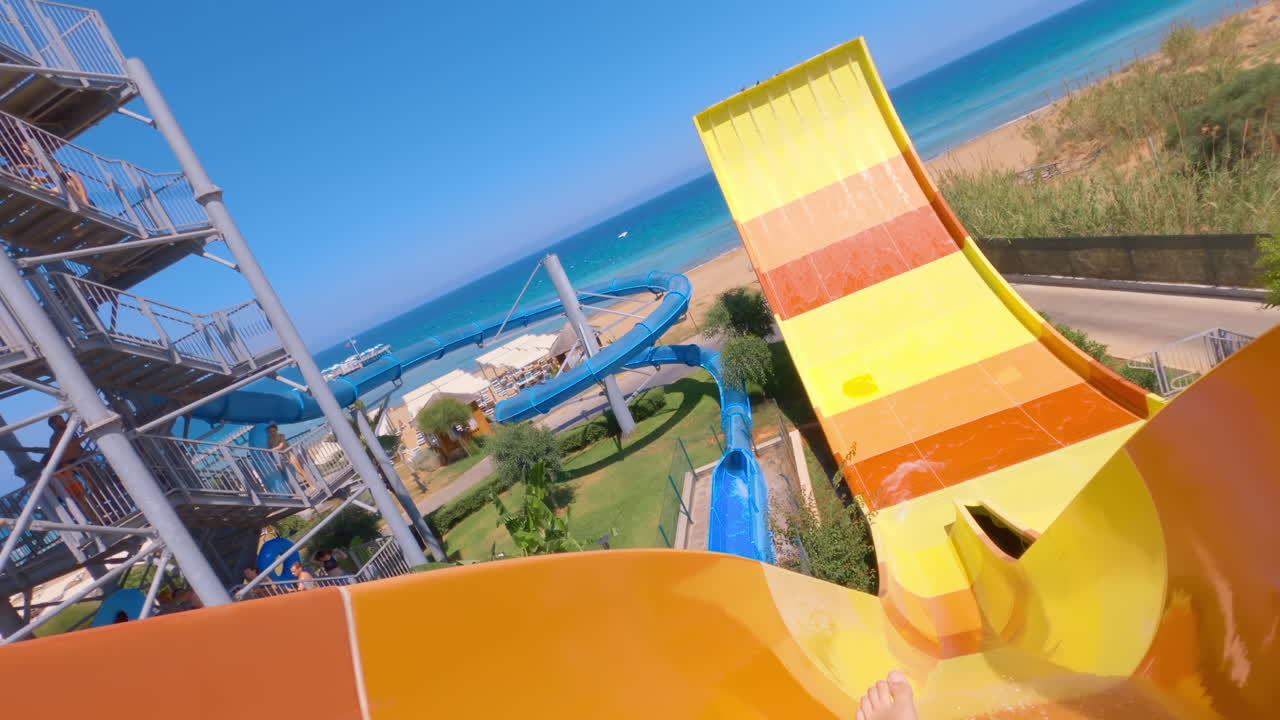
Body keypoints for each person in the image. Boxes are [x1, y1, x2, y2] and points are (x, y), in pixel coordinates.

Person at [44, 415, 97, 524]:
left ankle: (96, 515)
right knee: (83, 495)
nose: (63, 422)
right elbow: (72, 444)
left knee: (87, 491)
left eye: (63, 419)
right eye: (60, 421)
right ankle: (95, 517)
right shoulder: (58, 436)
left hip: (76, 464)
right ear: (54, 425)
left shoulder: (63, 433)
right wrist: (87, 435)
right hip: (72, 465)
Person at [267, 422, 312, 492]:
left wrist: (270, 450)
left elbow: (281, 446)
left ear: (276, 430)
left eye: (273, 431)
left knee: (300, 471)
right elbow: (270, 451)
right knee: (289, 475)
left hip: (289, 455)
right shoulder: (270, 440)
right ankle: (296, 490)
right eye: (271, 432)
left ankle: (312, 486)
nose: (272, 433)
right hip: (282, 458)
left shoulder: (281, 436)